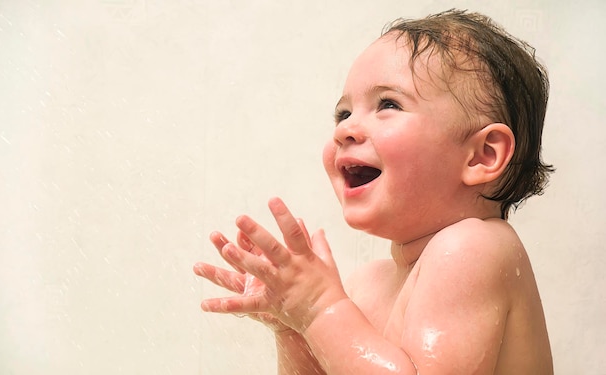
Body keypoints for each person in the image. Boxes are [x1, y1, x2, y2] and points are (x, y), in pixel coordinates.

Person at [193, 9, 554, 374]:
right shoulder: (368, 284)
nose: (344, 130)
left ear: (482, 156)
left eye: (388, 104)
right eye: (343, 113)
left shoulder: (474, 248)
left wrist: (319, 308)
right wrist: (293, 325)